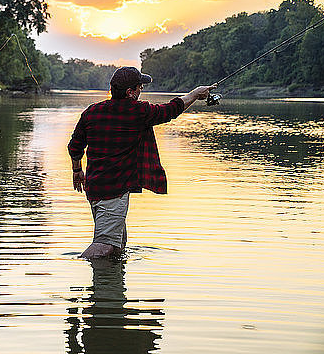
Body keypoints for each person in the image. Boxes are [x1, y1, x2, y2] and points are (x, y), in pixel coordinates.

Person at [68, 66, 215, 259]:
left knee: (118, 247)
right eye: (139, 88)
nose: (141, 91)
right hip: (113, 192)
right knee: (104, 246)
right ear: (130, 92)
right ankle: (75, 267)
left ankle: (108, 286)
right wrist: (195, 94)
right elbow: (172, 109)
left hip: (95, 189)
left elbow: (75, 146)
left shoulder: (92, 112)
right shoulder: (138, 112)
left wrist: (77, 170)